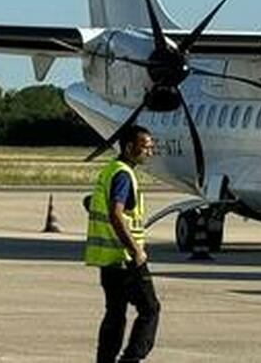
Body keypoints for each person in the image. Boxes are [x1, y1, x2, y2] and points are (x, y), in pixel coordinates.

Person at [85, 126, 159, 363]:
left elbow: (92, 203)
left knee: (115, 314)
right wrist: (135, 250)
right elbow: (116, 214)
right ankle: (131, 359)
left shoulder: (110, 170)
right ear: (129, 147)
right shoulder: (124, 175)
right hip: (126, 260)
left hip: (108, 260)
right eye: (145, 146)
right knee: (150, 310)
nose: (150, 151)